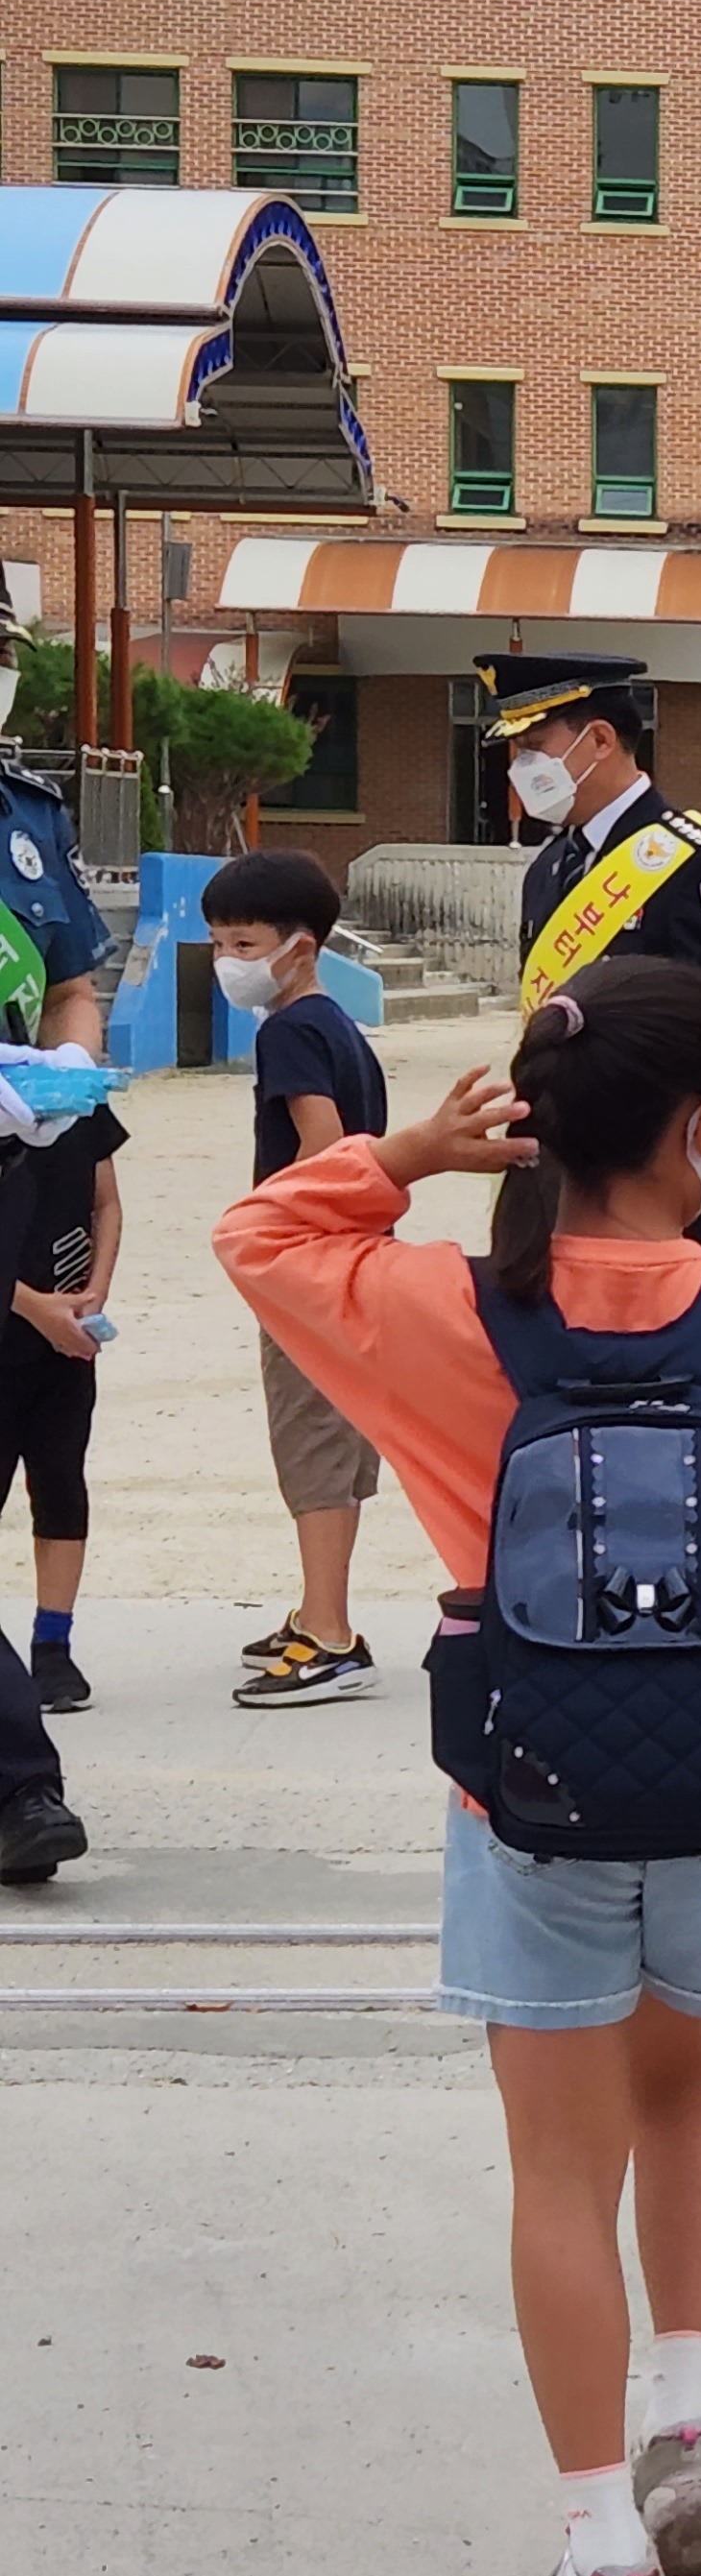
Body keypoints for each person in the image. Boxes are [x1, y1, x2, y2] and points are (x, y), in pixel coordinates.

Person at [215, 957, 701, 2576]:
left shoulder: (452, 1310)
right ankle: (689, 2425)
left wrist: (412, 1154)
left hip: (522, 1790)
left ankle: (602, 2555)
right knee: (689, 2093)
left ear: (535, 1118)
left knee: (558, 2162)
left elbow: (257, 1241)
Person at [484, 650, 701, 1264]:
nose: (520, 767)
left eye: (532, 747)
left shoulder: (691, 859)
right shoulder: (549, 869)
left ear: (600, 739)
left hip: (654, 1174)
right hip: (563, 1167)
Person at [204, 852, 390, 1708]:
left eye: (243, 942)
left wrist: (271, 1226)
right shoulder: (341, 1025)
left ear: (301, 947)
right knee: (340, 1445)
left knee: (309, 1444)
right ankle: (319, 1609)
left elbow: (323, 1150)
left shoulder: (287, 1031)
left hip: (308, 1269)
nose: (227, 961)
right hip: (357, 1263)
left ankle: (329, 1633)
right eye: (218, 942)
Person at [0, 614, 115, 1885]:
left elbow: (75, 971)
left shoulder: (25, 815)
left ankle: (23, 1786)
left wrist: (68, 1063)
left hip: (17, 1170)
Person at [0, 1093, 120, 1715]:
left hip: (67, 1338)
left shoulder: (78, 1101)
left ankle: (54, 1644)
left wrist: (94, 1292)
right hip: (13, 1323)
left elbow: (106, 1202)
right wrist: (32, 1307)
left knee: (61, 1485)